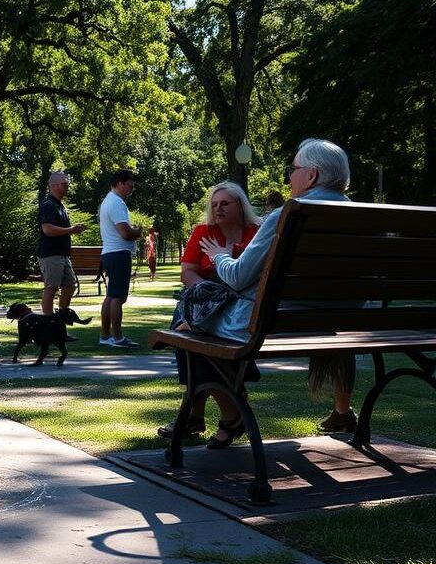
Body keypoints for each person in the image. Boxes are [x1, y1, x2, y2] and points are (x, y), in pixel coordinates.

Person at [159, 138, 358, 446]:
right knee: (195, 317)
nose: (290, 177)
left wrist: (220, 256)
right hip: (335, 324)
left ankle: (227, 413)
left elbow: (238, 278)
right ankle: (214, 412)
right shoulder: (356, 216)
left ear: (312, 176)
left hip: (271, 322)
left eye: (293, 169)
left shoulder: (288, 214)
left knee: (186, 321)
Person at [155, 181, 262, 442]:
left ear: (241, 206)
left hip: (241, 310)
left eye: (225, 203)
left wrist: (223, 261)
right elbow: (187, 272)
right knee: (190, 324)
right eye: (214, 205)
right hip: (206, 302)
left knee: (189, 336)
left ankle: (201, 413)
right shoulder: (203, 232)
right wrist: (206, 291)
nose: (218, 209)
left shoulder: (257, 234)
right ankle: (223, 414)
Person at [98, 169, 143, 347]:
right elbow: (125, 233)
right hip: (118, 254)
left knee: (111, 296)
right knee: (118, 297)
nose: (131, 189)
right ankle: (117, 337)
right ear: (119, 183)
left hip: (110, 253)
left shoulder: (108, 201)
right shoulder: (116, 203)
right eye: (130, 186)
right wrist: (138, 231)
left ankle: (105, 335)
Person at [37, 170, 85, 316]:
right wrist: (71, 229)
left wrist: (72, 230)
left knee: (70, 284)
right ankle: (48, 323)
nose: (67, 187)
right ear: (55, 185)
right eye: (65, 184)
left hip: (62, 254)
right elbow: (47, 230)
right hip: (51, 254)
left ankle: (61, 318)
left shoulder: (60, 205)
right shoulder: (48, 205)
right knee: (51, 288)